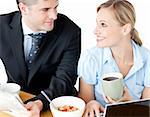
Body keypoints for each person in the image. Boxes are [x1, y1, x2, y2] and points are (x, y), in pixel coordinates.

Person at [0, 0, 81, 116]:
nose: (54, 16)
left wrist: (41, 101)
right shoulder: (2, 26)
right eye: (45, 9)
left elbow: (65, 77)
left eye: (55, 7)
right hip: (18, 100)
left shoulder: (70, 31)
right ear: (23, 9)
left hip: (55, 103)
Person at [78, 0, 150, 117]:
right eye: (97, 24)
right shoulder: (91, 58)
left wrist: (128, 103)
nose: (95, 31)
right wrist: (90, 104)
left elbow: (147, 111)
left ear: (125, 29)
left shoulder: (147, 59)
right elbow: (85, 101)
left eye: (103, 24)